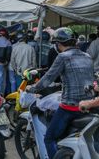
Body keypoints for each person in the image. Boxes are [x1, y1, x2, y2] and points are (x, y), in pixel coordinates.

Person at [27, 27, 94, 159]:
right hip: (89, 105)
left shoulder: (63, 57)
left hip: (70, 107)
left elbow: (48, 78)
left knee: (49, 138)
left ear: (58, 44)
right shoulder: (87, 56)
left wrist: (33, 88)